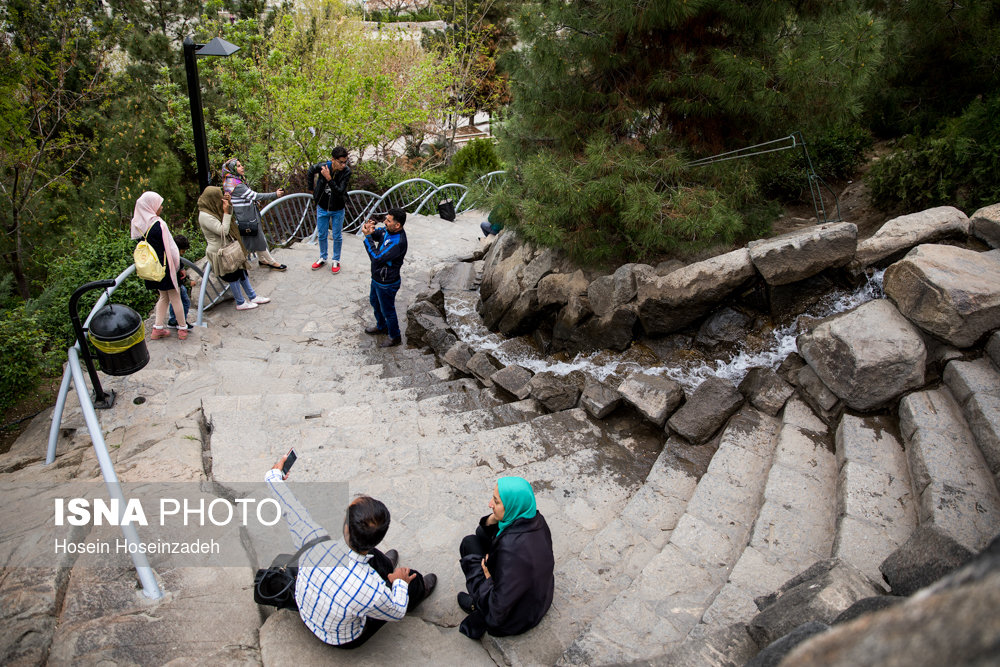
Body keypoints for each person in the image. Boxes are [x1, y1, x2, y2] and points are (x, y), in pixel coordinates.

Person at [265, 454, 437, 648]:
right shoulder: (371, 590)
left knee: (377, 561)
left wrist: (275, 474)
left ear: (346, 526)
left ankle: (387, 567)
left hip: (308, 613)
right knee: (410, 577)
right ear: (378, 538)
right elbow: (396, 611)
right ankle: (416, 591)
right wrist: (399, 583)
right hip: (342, 638)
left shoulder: (314, 542)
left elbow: (290, 505)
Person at [457, 476, 554, 640]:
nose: (490, 504)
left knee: (469, 544)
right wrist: (493, 518)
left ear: (512, 505)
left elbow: (498, 611)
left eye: (496, 501)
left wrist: (488, 579)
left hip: (515, 619)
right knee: (482, 532)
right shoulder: (537, 520)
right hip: (540, 598)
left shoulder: (510, 549)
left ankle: (478, 607)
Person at [197, 186, 270, 311]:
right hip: (221, 252)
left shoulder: (213, 209)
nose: (220, 199)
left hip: (230, 248)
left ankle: (252, 296)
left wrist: (229, 204)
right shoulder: (205, 215)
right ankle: (240, 302)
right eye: (218, 197)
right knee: (233, 277)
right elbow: (223, 231)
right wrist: (226, 212)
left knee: (241, 271)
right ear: (212, 199)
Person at [130, 192, 189, 340]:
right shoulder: (159, 224)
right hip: (166, 267)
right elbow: (172, 249)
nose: (161, 207)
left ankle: (157, 328)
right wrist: (180, 267)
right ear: (151, 206)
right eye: (159, 204)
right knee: (175, 297)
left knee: (163, 297)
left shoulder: (138, 225)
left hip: (152, 268)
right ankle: (182, 328)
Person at [221, 158, 287, 271]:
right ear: (232, 169)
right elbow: (255, 196)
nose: (242, 167)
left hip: (246, 215)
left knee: (256, 237)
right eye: (238, 166)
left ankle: (262, 260)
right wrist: (275, 194)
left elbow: (248, 197)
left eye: (241, 165)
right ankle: (271, 262)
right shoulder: (237, 185)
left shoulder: (232, 181)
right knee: (259, 238)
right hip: (247, 217)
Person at [361, 208, 407, 347]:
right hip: (377, 278)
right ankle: (381, 326)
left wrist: (367, 237)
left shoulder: (397, 242)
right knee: (375, 302)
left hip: (387, 283)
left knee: (388, 310)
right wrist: (370, 230)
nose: (384, 222)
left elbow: (376, 258)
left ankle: (395, 336)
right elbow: (378, 234)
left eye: (388, 220)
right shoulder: (389, 231)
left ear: (397, 225)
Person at [307, 146, 352, 273]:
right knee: (322, 234)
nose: (343, 165)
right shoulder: (324, 166)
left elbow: (339, 192)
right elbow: (310, 170)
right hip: (322, 206)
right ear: (333, 160)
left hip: (338, 208)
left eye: (345, 162)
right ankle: (323, 257)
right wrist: (311, 189)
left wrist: (329, 178)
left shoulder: (346, 172)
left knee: (337, 235)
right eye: (341, 162)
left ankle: (336, 259)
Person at [167, 234, 193, 329]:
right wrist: (188, 282)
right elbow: (179, 275)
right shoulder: (175, 257)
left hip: (172, 283)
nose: (183, 253)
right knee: (185, 302)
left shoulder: (168, 254)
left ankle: (173, 320)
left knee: (174, 301)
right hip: (177, 283)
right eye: (182, 251)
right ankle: (181, 322)